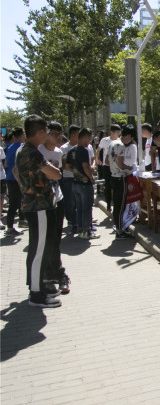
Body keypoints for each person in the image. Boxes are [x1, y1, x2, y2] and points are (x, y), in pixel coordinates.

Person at [15, 115, 63, 307]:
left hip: (36, 205)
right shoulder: (32, 153)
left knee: (38, 247)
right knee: (39, 249)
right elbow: (55, 174)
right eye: (47, 131)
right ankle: (36, 293)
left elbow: (16, 173)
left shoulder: (24, 150)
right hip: (39, 206)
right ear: (41, 132)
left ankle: (38, 285)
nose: (48, 135)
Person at [36, 121, 70, 293]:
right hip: (42, 203)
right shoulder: (37, 151)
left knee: (56, 239)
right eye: (55, 134)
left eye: (60, 134)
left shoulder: (58, 152)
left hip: (58, 199)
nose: (59, 138)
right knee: (46, 241)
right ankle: (47, 275)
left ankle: (57, 273)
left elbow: (59, 174)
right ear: (46, 133)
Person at [66, 128, 99, 240]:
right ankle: (86, 231)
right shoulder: (84, 151)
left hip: (75, 183)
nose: (89, 142)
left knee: (79, 208)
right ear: (84, 137)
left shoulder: (71, 151)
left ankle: (80, 230)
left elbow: (67, 167)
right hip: (85, 184)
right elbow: (85, 167)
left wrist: (76, 172)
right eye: (89, 139)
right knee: (86, 208)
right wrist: (91, 177)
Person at [107, 126, 138, 239]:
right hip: (121, 177)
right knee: (121, 206)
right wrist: (128, 168)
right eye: (125, 135)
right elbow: (125, 164)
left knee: (117, 204)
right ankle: (120, 230)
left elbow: (106, 160)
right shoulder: (120, 145)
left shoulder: (112, 143)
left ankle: (119, 227)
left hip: (113, 176)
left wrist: (114, 165)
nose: (125, 138)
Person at [5, 127, 26, 236]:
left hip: (10, 177)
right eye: (24, 133)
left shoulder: (10, 147)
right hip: (17, 178)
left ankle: (20, 221)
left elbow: (7, 164)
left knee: (16, 202)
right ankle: (10, 228)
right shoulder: (21, 147)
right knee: (15, 203)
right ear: (22, 134)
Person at [60, 125, 81, 233]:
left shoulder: (81, 147)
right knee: (71, 202)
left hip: (80, 178)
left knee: (80, 202)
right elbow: (63, 165)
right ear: (73, 135)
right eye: (79, 134)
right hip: (68, 178)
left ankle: (80, 222)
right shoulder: (64, 148)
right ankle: (73, 222)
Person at [96, 124, 121, 213]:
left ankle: (115, 204)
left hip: (116, 166)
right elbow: (98, 150)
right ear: (112, 132)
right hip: (106, 166)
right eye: (116, 132)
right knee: (108, 185)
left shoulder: (119, 141)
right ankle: (108, 204)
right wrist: (97, 158)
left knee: (115, 185)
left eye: (119, 133)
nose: (118, 134)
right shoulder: (105, 140)